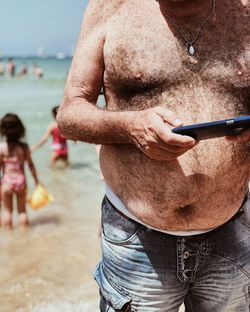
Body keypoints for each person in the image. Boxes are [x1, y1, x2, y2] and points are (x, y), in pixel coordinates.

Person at [57, 0, 250, 311]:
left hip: (233, 230)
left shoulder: (243, 12)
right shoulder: (111, 7)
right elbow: (70, 115)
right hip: (137, 238)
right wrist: (132, 127)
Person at [0, 114, 39, 229]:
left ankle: (10, 236)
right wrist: (36, 180)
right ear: (20, 130)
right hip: (21, 181)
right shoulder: (24, 147)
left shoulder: (1, 148)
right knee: (22, 211)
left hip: (6, 182)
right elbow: (31, 165)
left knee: (7, 211)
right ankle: (25, 235)